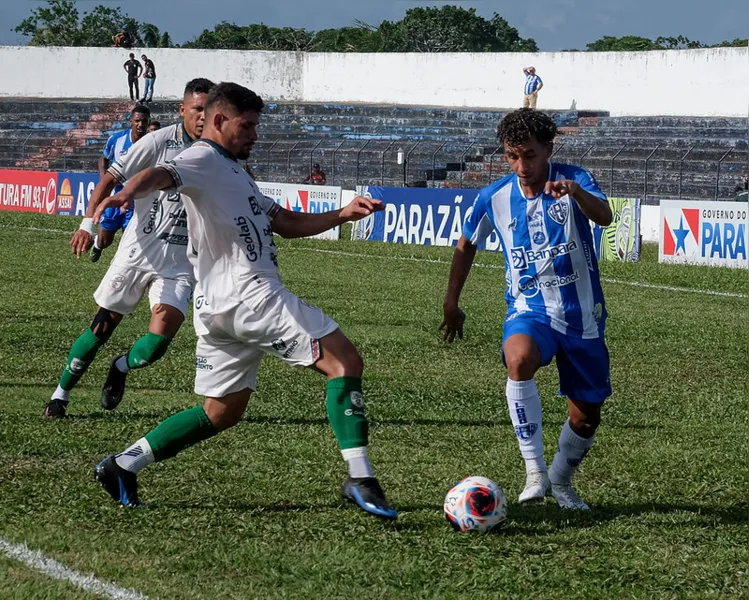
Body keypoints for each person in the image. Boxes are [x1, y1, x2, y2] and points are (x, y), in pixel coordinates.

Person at [91, 82, 397, 521]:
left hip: (218, 309)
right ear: (219, 121)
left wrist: (341, 214)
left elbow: (284, 221)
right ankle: (361, 478)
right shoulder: (202, 157)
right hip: (249, 295)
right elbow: (161, 173)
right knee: (344, 361)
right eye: (247, 125)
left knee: (221, 411)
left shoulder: (235, 172)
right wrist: (124, 193)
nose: (255, 134)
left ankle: (122, 464)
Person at [441, 108, 613, 511]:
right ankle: (534, 472)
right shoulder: (494, 197)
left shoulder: (575, 179)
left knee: (586, 416)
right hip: (529, 309)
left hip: (581, 314)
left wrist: (576, 192)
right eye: (512, 156)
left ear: (549, 148)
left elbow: (604, 216)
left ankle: (559, 481)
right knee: (518, 359)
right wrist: (452, 300)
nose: (521, 166)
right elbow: (466, 243)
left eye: (530, 156)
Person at [45, 78, 216, 419]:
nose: (203, 116)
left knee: (157, 343)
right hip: (137, 253)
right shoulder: (157, 141)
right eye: (197, 109)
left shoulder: (217, 152)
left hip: (180, 263)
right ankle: (60, 394)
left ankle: (121, 367)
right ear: (183, 110)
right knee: (101, 328)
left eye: (209, 110)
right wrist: (88, 223)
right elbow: (110, 177)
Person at [90, 105, 151, 264]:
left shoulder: (153, 142)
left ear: (148, 122)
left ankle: (121, 266)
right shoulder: (117, 140)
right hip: (115, 197)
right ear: (130, 120)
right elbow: (103, 159)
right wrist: (104, 180)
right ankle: (97, 245)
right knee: (105, 241)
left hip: (137, 200)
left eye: (144, 121)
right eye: (137, 120)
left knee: (129, 240)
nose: (140, 124)